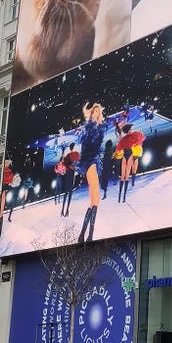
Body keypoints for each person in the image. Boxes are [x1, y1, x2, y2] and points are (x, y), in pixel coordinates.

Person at [77, 103, 106, 243]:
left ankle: (85, 234)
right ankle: (87, 235)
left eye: (98, 111)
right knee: (95, 196)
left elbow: (98, 143)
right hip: (89, 161)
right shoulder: (89, 126)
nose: (96, 112)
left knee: (95, 201)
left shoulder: (100, 127)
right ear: (91, 113)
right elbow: (86, 143)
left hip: (95, 160)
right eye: (94, 110)